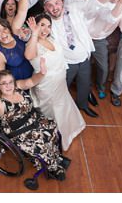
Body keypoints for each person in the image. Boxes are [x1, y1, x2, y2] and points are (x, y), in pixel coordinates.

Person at [0, 70, 70, 180]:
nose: (9, 85)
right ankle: (52, 168)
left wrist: (42, 73)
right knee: (41, 142)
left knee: (52, 127)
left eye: (10, 82)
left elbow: (32, 81)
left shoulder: (18, 86)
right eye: (4, 83)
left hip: (32, 120)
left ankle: (54, 157)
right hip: (18, 131)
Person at [23, 15, 86, 151]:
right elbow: (29, 56)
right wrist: (34, 34)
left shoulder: (51, 39)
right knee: (54, 110)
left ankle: (70, 129)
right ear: (35, 26)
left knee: (64, 106)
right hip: (47, 85)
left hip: (60, 81)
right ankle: (56, 138)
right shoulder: (32, 43)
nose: (46, 29)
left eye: (48, 26)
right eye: (42, 25)